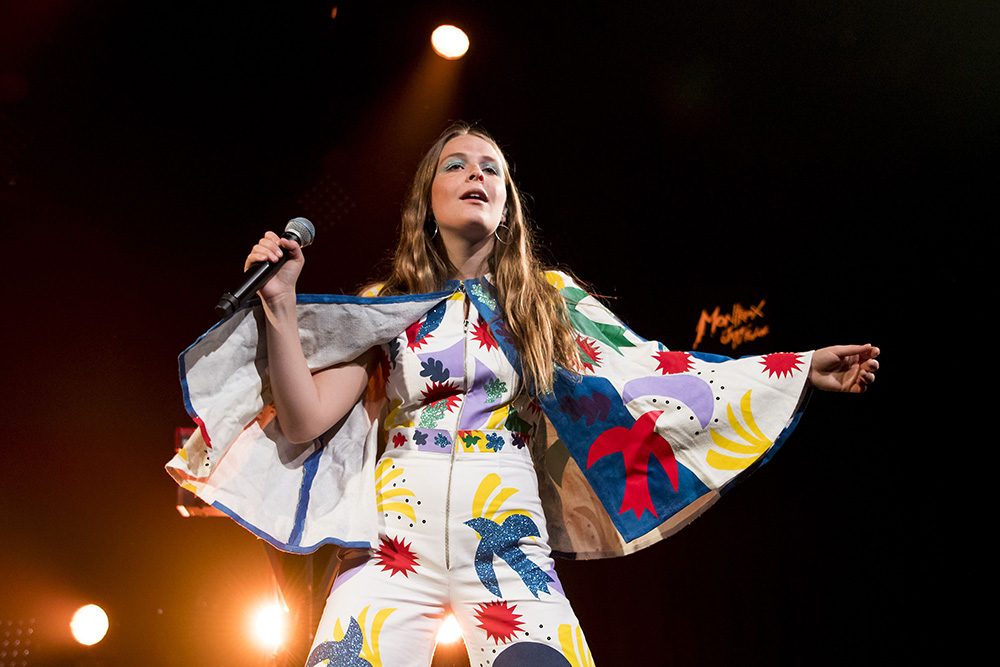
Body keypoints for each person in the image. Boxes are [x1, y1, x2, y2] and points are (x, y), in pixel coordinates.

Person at [169, 123, 879, 667]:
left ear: (507, 207)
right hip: (393, 539)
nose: (475, 172)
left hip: (504, 536)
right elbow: (303, 419)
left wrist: (794, 366)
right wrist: (283, 309)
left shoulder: (547, 303)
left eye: (491, 169)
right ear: (428, 202)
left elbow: (659, 375)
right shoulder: (389, 308)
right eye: (457, 164)